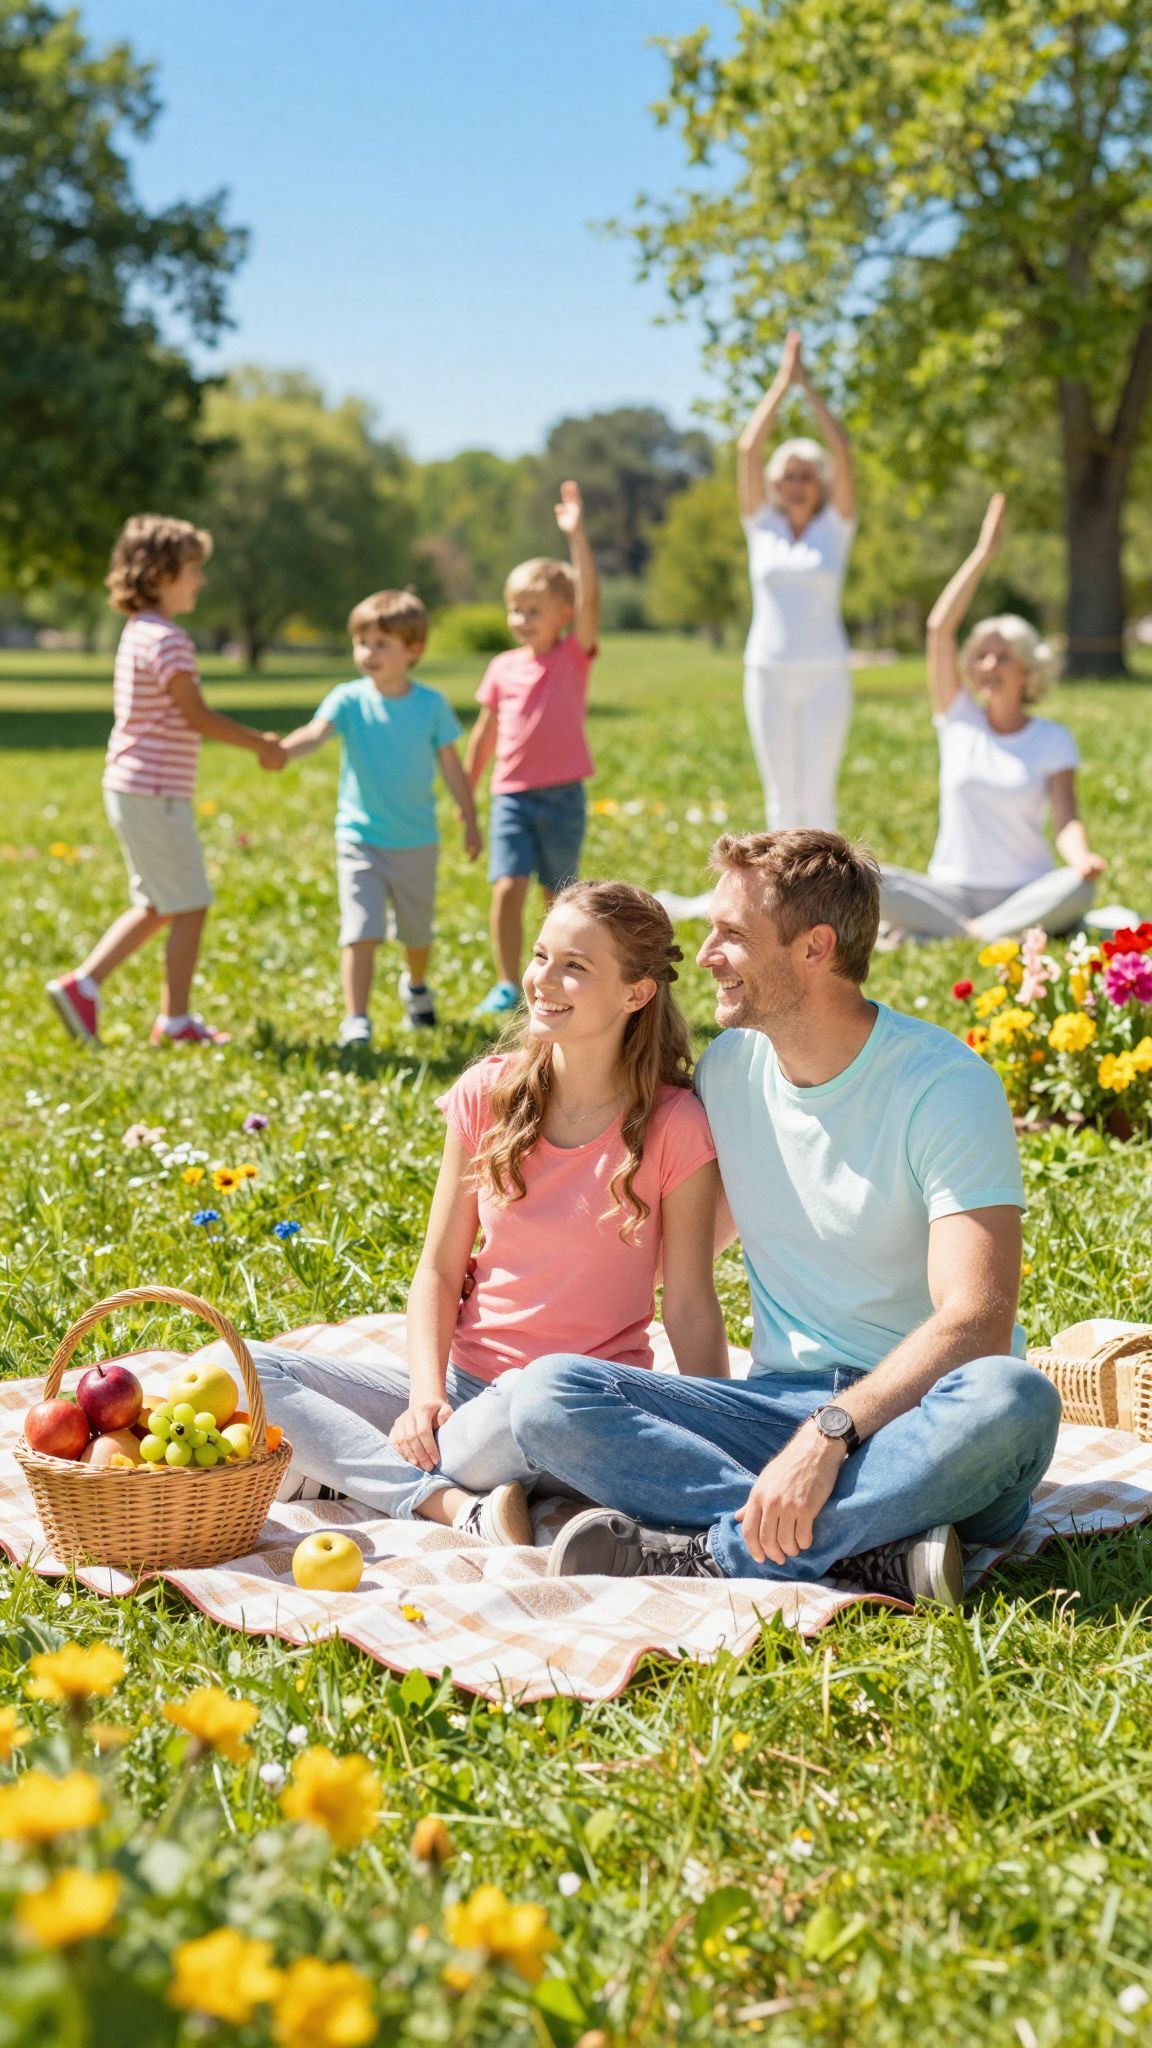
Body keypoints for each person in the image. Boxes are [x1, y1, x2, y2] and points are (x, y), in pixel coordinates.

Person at [506, 830, 1062, 1607]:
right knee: (545, 1398)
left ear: (814, 948)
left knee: (1014, 1399)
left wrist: (831, 1436)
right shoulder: (731, 1073)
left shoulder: (944, 1086)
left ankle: (712, 1550)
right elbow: (682, 1249)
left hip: (920, 1420)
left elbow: (977, 1320)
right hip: (771, 1411)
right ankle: (869, 1550)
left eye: (731, 935)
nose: (704, 957)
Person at [232, 882, 728, 1543]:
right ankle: (445, 1504)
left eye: (574, 966)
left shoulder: (674, 1125)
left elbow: (691, 1303)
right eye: (542, 955)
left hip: (571, 1408)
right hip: (465, 1391)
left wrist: (714, 1429)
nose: (542, 980)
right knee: (240, 1371)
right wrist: (424, 1395)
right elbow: (438, 1270)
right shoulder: (487, 1094)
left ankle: (362, 1473)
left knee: (514, 1413)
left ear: (636, 993)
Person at [46, 514, 284, 1048]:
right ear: (157, 574)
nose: (200, 580)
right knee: (190, 904)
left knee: (158, 902)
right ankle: (175, 1022)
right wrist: (261, 745)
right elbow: (195, 715)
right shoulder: (169, 639)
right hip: (153, 790)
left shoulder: (139, 633)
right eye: (193, 569)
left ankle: (83, 986)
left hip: (132, 787)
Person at [878, 494, 1107, 944]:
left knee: (1080, 885)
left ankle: (954, 935)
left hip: (1026, 890)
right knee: (861, 877)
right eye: (980, 655)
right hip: (949, 891)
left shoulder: (1052, 739)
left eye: (1002, 657)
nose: (987, 665)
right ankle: (988, 933)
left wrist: (1082, 857)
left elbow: (1066, 819)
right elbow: (939, 628)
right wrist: (984, 554)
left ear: (1027, 670)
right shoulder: (958, 719)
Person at [276, 590, 481, 1043]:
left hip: (415, 840)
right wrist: (282, 751)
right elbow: (316, 733)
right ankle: (357, 1019)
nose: (368, 652)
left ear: (413, 650)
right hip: (359, 837)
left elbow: (451, 765)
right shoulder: (347, 700)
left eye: (381, 643)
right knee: (360, 929)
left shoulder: (430, 705)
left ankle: (417, 988)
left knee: (416, 933)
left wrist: (469, 815)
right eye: (361, 641)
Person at [466, 480, 599, 1019]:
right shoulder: (502, 666)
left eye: (533, 609)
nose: (521, 619)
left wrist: (576, 536)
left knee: (558, 899)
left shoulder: (574, 656)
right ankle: (504, 982)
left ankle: (558, 979)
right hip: (512, 797)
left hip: (564, 796)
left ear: (563, 613)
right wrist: (466, 794)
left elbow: (591, 594)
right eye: (514, 609)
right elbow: (484, 731)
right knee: (506, 887)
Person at [737, 329, 856, 833]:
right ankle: (778, 907)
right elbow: (747, 450)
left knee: (818, 800)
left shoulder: (837, 528)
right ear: (775, 485)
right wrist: (781, 386)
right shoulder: (761, 525)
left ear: (821, 482)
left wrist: (809, 391)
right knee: (781, 802)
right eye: (787, 475)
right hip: (767, 670)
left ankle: (824, 900)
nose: (797, 483)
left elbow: (844, 452)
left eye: (806, 474)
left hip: (827, 671)